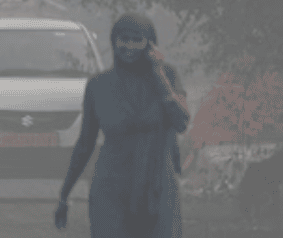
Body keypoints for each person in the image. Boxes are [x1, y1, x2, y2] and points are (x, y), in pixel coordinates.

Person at [55, 13, 190, 237]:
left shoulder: (168, 75)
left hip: (157, 187)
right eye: (123, 39)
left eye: (137, 40)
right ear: (113, 41)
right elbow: (85, 143)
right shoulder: (99, 85)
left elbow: (181, 122)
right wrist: (64, 194)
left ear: (150, 44)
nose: (128, 46)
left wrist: (158, 74)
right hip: (112, 188)